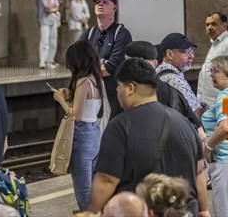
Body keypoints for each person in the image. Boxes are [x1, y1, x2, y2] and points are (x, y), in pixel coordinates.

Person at [87, 58, 208, 217]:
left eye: (119, 86)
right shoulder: (185, 124)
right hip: (185, 211)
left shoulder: (120, 127)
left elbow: (106, 181)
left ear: (130, 88)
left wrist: (90, 213)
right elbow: (199, 173)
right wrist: (204, 210)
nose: (118, 91)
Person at [50, 41, 106, 211]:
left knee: (83, 186)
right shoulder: (97, 79)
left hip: (82, 135)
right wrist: (70, 95)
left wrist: (60, 99)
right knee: (92, 181)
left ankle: (87, 213)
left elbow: (75, 115)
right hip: (94, 133)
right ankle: (93, 211)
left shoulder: (83, 81)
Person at [124, 41, 203, 134]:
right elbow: (196, 121)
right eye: (184, 51)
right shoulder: (169, 86)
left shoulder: (125, 91)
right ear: (154, 63)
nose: (191, 56)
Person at [201, 55, 228, 217]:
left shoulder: (224, 95)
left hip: (224, 162)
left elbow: (226, 126)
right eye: (211, 70)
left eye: (216, 71)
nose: (212, 74)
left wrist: (208, 148)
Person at [80, 0, 132, 119]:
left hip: (114, 96)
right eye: (98, 2)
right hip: (91, 97)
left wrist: (91, 67)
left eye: (105, 1)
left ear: (114, 8)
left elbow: (112, 67)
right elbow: (77, 65)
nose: (100, 4)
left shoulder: (121, 34)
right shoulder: (88, 34)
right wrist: (103, 63)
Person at [197, 12, 228, 107]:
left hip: (219, 101)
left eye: (214, 24)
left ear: (224, 25)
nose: (209, 27)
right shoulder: (215, 44)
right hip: (208, 101)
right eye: (207, 25)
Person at [155, 33, 203, 116]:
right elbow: (195, 115)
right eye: (185, 52)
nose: (191, 56)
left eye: (191, 51)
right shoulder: (174, 79)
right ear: (170, 54)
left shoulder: (158, 71)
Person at [37, 0, 60, 69]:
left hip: (53, 20)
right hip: (44, 21)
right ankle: (42, 61)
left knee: (53, 41)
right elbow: (47, 7)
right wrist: (52, 8)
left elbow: (56, 7)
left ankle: (50, 60)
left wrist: (53, 9)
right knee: (44, 41)